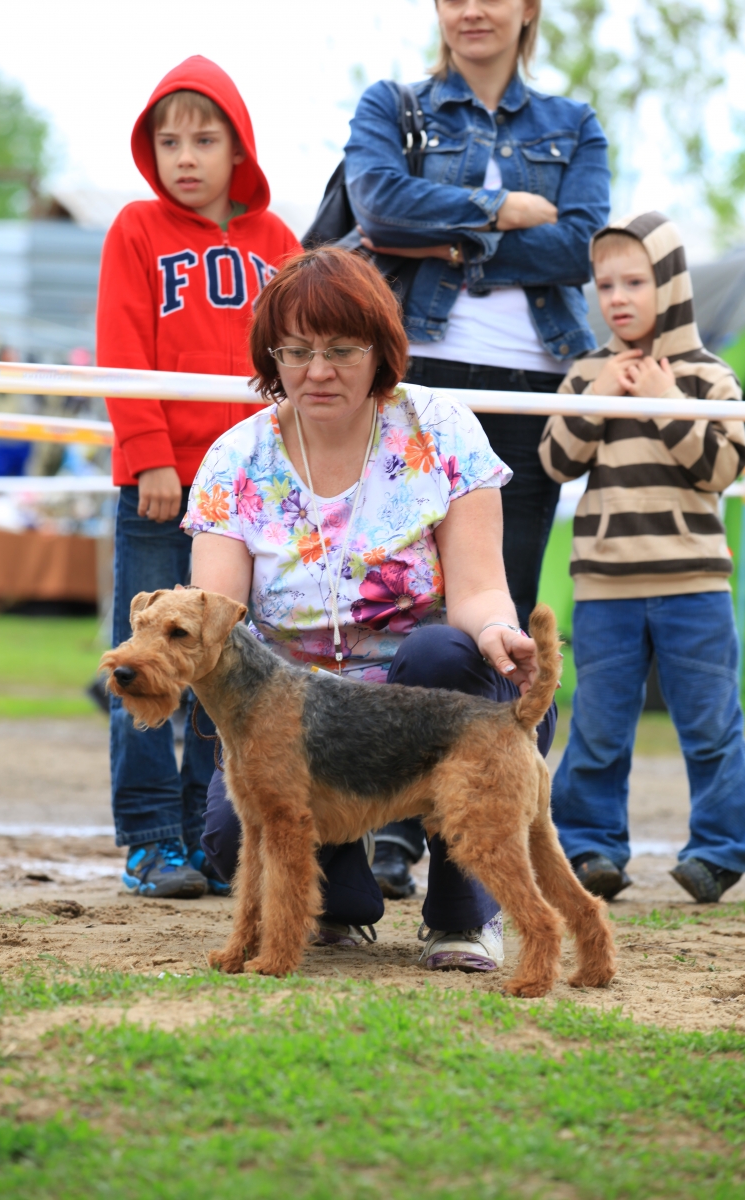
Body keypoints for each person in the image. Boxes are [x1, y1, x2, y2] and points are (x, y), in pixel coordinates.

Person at [183, 247, 557, 970]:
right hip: (298, 723)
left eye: (340, 350)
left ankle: (459, 915)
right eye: (296, 351)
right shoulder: (235, 458)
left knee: (442, 650)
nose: (317, 370)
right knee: (235, 833)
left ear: (380, 350)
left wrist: (498, 631)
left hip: (429, 703)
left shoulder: (442, 429)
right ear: (272, 354)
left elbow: (480, 587)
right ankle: (344, 902)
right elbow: (215, 620)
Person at [342, 0, 610, 896]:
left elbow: (581, 246)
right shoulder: (391, 104)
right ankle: (396, 825)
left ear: (528, 8)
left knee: (512, 624)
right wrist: (502, 209)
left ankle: (505, 842)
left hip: (532, 394)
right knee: (404, 607)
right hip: (417, 383)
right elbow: (376, 202)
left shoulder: (574, 124)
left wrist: (450, 239)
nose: (471, 9)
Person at [96, 56, 301, 899]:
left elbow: (298, 357)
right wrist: (146, 450)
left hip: (247, 499)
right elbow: (121, 343)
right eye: (168, 140)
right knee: (144, 661)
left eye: (204, 138)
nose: (186, 154)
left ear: (237, 147)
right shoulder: (137, 229)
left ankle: (208, 835)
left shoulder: (278, 241)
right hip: (162, 484)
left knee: (227, 665)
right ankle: (150, 838)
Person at [539, 211, 745, 905]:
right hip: (605, 588)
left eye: (636, 280)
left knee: (710, 726)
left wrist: (666, 403)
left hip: (695, 586)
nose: (619, 296)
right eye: (605, 284)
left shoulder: (710, 377)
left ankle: (718, 853)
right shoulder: (586, 375)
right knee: (599, 729)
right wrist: (601, 396)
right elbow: (555, 461)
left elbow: (721, 469)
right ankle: (592, 847)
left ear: (670, 284)